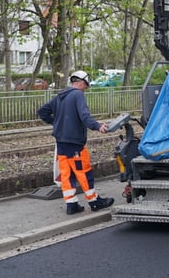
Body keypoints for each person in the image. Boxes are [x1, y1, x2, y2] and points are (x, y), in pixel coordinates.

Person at [38, 70, 115, 215]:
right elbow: (84, 116)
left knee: (67, 174)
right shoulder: (77, 95)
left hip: (61, 142)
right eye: (86, 85)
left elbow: (42, 112)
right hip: (74, 143)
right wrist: (98, 126)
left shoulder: (59, 96)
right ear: (81, 82)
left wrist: (56, 123)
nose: (86, 89)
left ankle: (71, 204)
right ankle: (94, 201)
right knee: (83, 172)